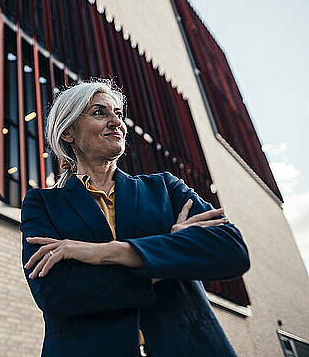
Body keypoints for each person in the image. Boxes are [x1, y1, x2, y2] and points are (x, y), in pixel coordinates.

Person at [20, 80, 250, 357]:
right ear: (68, 131)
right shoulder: (43, 204)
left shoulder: (165, 187)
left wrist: (111, 252)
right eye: (99, 113)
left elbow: (232, 251)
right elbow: (57, 294)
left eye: (118, 113)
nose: (116, 122)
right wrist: (170, 252)